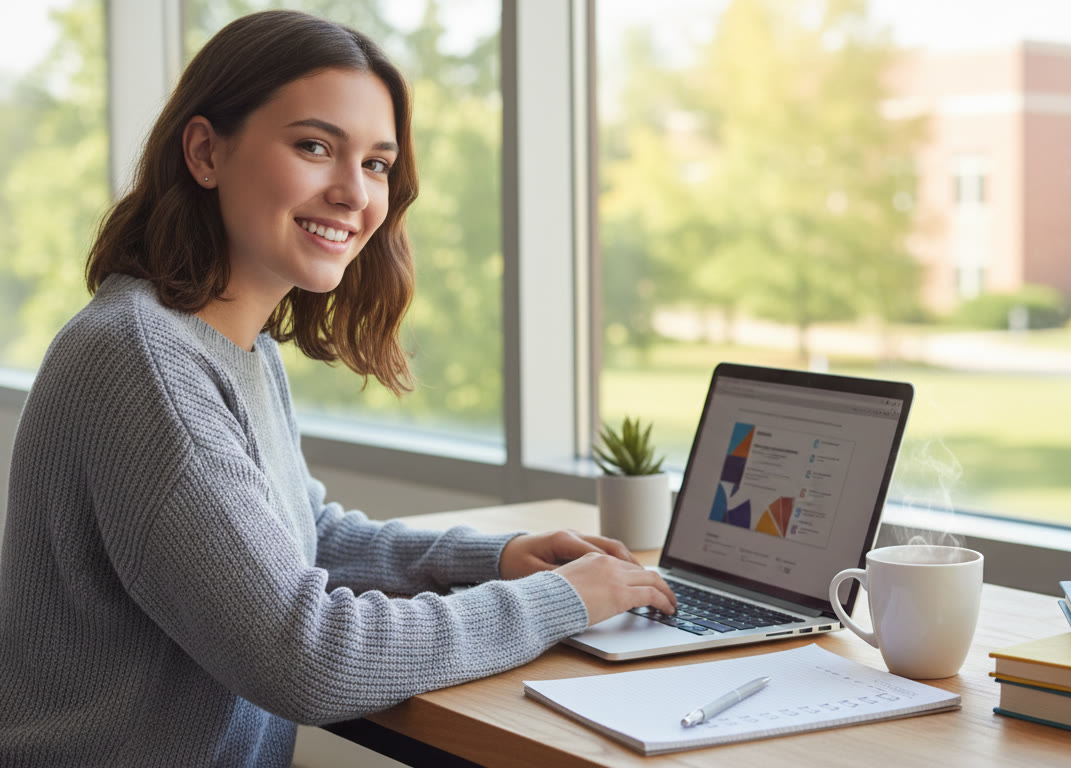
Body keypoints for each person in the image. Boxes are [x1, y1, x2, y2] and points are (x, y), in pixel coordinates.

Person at [0, 10, 675, 767]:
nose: (354, 194)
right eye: (315, 146)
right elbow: (308, 658)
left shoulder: (229, 344)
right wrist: (568, 599)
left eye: (378, 164)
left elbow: (301, 535)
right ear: (204, 151)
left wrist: (497, 557)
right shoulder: (143, 361)